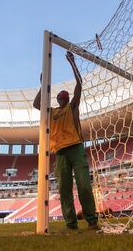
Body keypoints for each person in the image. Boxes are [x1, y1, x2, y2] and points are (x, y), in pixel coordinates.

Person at [33, 51, 98, 230]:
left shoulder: (72, 107)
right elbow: (36, 104)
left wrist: (73, 63)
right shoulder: (52, 111)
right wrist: (42, 85)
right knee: (64, 190)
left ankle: (92, 220)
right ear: (57, 99)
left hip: (76, 148)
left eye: (64, 96)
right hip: (60, 152)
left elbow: (79, 83)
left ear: (67, 98)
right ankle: (71, 224)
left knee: (84, 185)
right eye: (60, 97)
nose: (62, 98)